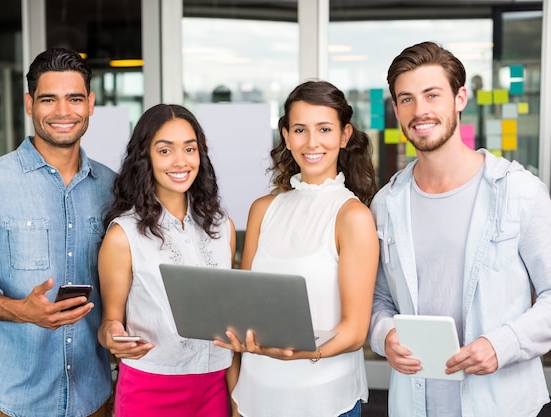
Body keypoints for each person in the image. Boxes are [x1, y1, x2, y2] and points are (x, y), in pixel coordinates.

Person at [369, 41, 551, 417]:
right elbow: (379, 300)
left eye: (432, 95)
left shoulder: (519, 192)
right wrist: (384, 335)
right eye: (406, 99)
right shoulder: (386, 204)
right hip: (413, 405)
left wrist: (504, 344)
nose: (420, 111)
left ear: (460, 98)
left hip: (501, 404)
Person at [0, 48, 114, 417]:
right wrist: (20, 311)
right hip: (17, 401)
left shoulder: (111, 188)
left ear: (91, 104)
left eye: (75, 98)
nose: (64, 112)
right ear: (29, 104)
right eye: (49, 99)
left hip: (95, 394)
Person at [215, 80, 379, 417]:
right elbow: (247, 309)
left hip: (324, 402)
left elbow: (354, 332)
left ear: (344, 136)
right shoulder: (263, 209)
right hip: (255, 398)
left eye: (324, 129)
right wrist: (236, 392)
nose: (312, 142)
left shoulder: (353, 217)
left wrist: (293, 353)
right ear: (286, 136)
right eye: (300, 129)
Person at [96, 103, 237, 417]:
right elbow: (109, 322)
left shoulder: (221, 226)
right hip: (150, 388)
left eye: (190, 148)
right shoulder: (123, 235)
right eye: (165, 150)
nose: (181, 161)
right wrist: (114, 337)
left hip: (215, 384)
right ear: (145, 157)